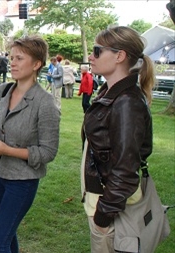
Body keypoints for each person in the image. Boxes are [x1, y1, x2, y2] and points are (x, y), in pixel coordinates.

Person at [0, 36, 60, 253]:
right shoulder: (3, 91)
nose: (13, 62)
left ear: (37, 64)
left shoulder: (45, 103)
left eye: (20, 58)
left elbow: (48, 152)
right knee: (8, 237)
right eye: (12, 57)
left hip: (22, 181)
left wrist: (8, 150)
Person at [80, 26, 155, 252]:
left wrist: (103, 217)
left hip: (110, 210)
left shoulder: (126, 102)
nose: (90, 57)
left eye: (97, 51)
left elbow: (125, 168)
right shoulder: (110, 93)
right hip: (102, 202)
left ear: (119, 56)